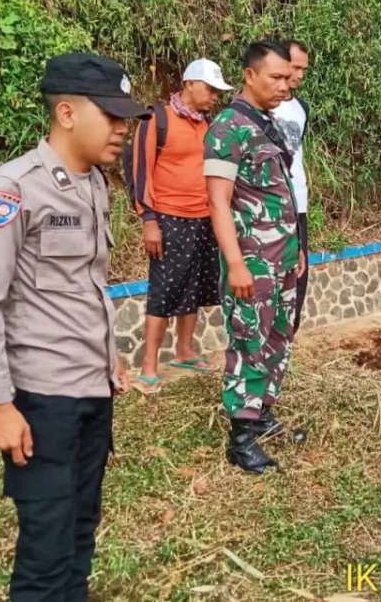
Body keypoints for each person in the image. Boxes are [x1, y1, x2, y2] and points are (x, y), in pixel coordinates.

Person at [0, 52, 150, 601]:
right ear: (66, 113)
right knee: (44, 552)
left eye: (126, 119)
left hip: (92, 392)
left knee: (79, 531)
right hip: (43, 402)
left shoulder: (93, 184)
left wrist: (108, 354)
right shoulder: (12, 189)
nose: (123, 130)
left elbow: (82, 287)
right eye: (111, 117)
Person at [204, 39, 307, 474]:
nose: (285, 86)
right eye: (276, 77)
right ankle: (241, 439)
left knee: (278, 335)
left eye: (289, 78)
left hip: (281, 258)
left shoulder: (266, 123)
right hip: (252, 261)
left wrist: (297, 247)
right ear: (250, 75)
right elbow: (217, 202)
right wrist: (237, 263)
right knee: (249, 342)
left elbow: (281, 193)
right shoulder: (227, 128)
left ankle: (262, 413)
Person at [129, 58, 233, 391]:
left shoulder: (208, 124)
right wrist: (148, 219)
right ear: (189, 84)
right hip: (169, 218)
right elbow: (139, 171)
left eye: (218, 91)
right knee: (164, 290)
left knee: (195, 285)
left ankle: (185, 350)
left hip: (204, 217)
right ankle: (149, 365)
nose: (215, 96)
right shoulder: (156, 119)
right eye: (210, 89)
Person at [270, 39, 311, 332]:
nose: (298, 75)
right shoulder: (258, 107)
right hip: (268, 203)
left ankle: (288, 341)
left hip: (298, 203)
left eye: (303, 70)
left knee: (298, 274)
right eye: (294, 67)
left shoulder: (302, 108)